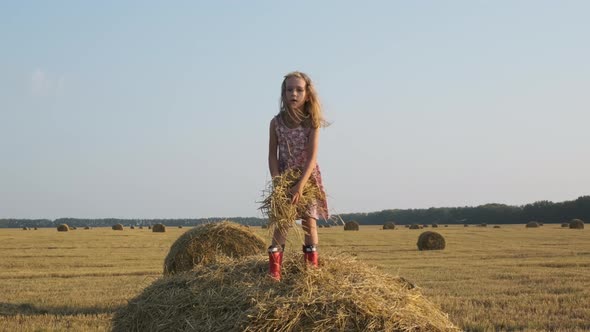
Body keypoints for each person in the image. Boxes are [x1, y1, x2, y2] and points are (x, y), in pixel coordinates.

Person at [267, 71, 329, 280]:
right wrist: (278, 183)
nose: (294, 93)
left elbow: (312, 158)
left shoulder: (312, 123)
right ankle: (274, 273)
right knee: (282, 224)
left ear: (307, 95)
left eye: (299, 90)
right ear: (283, 94)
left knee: (309, 222)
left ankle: (310, 273)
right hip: (285, 178)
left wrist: (300, 186)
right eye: (289, 89)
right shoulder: (276, 123)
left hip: (307, 179)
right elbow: (272, 156)